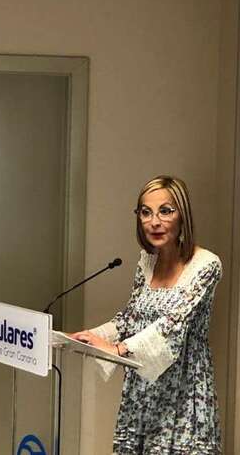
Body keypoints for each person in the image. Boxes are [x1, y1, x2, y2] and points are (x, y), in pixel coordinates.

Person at [71, 175, 222, 454]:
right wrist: (90, 337)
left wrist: (117, 349)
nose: (154, 221)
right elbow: (130, 318)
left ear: (183, 216)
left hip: (183, 393)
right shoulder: (147, 262)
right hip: (141, 392)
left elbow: (172, 325)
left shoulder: (206, 265)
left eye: (165, 211)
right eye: (146, 212)